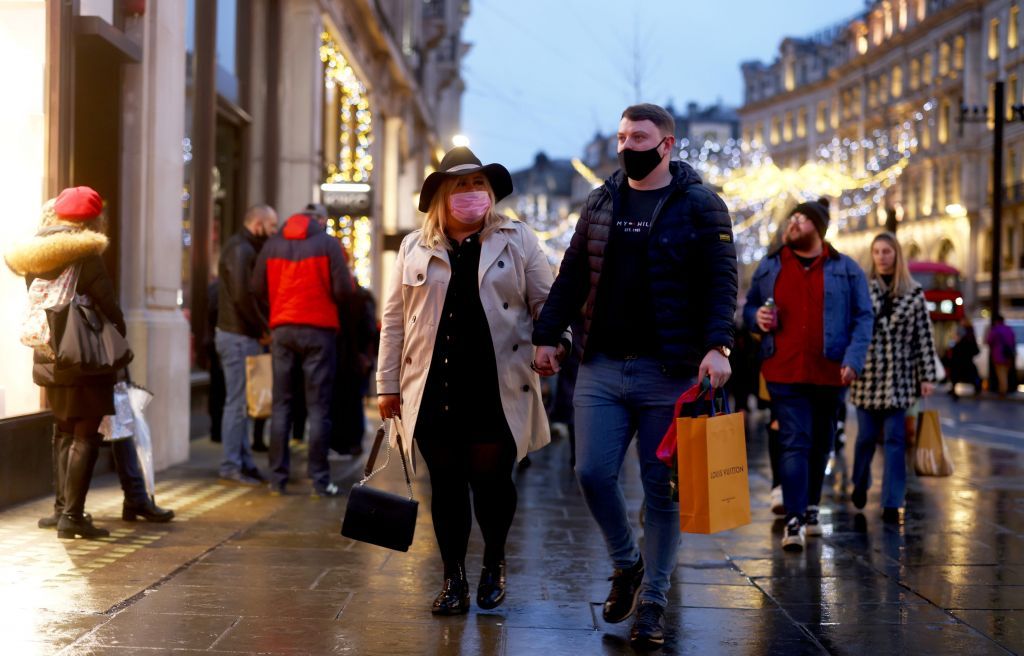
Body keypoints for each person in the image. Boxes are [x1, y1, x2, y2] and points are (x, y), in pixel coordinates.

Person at [532, 104, 737, 648]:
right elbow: (573, 272)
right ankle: (628, 563)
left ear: (667, 144)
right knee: (592, 473)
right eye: (623, 136)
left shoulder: (700, 205)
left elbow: (722, 281)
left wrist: (718, 345)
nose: (627, 145)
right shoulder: (601, 200)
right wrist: (546, 336)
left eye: (639, 137)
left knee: (661, 490)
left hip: (669, 371)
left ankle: (654, 599)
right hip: (600, 365)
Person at [377, 146, 558, 616]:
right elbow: (395, 321)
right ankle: (452, 576)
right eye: (460, 186)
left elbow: (547, 302)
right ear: (441, 195)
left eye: (478, 184)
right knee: (447, 485)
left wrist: (554, 342)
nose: (472, 194)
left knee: (493, 482)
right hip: (433, 384)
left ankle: (494, 559)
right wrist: (387, 384)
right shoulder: (414, 247)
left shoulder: (517, 239)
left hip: (497, 383)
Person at [744, 197, 873, 553]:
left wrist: (854, 358)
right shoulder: (771, 266)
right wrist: (756, 317)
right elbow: (749, 306)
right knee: (794, 440)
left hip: (831, 370)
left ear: (818, 228)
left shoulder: (846, 268)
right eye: (792, 218)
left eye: (801, 219)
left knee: (821, 442)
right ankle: (795, 518)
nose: (793, 223)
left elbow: (864, 317)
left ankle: (812, 507)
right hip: (782, 370)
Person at [5, 187, 126, 539]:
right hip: (83, 353)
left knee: (62, 429)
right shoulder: (86, 254)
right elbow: (108, 305)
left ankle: (60, 509)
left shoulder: (36, 254)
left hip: (47, 351)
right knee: (85, 433)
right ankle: (73, 516)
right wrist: (119, 336)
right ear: (92, 220)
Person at [252, 205, 352, 497]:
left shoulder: (272, 244)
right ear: (318, 221)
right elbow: (344, 290)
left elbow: (256, 286)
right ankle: (320, 479)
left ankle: (277, 478)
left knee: (282, 405)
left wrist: (278, 305)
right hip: (319, 329)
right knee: (318, 406)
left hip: (283, 329)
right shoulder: (328, 244)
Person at [848, 232, 938, 523]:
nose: (882, 257)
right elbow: (852, 331)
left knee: (896, 441)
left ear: (896, 255)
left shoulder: (914, 293)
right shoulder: (862, 290)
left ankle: (892, 500)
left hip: (899, 379)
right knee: (865, 439)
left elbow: (923, 338)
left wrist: (927, 376)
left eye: (887, 251)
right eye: (877, 252)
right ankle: (860, 483)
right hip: (868, 377)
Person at [215, 205, 278, 485]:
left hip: (240, 334)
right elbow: (242, 296)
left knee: (243, 403)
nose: (275, 231)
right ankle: (231, 465)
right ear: (258, 224)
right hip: (238, 335)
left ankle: (244, 461)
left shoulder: (245, 248)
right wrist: (262, 328)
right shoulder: (241, 249)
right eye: (272, 225)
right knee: (238, 403)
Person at [948, 318, 981, 399]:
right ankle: (977, 387)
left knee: (957, 374)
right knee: (971, 374)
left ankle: (954, 390)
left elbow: (957, 341)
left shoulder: (964, 331)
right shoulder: (971, 331)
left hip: (961, 357)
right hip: (967, 358)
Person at [986, 315, 1017, 397]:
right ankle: (1004, 388)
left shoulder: (995, 330)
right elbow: (1013, 341)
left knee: (1001, 373)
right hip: (1008, 355)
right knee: (1005, 372)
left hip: (998, 355)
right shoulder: (1009, 329)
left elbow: (989, 341)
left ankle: (1003, 390)